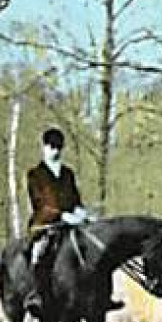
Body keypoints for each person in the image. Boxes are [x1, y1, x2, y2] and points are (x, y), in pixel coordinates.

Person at [27, 128, 122, 312]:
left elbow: (75, 199)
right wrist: (61, 215)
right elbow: (39, 202)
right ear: (44, 147)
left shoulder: (67, 173)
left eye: (58, 147)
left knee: (95, 249)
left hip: (71, 224)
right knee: (39, 253)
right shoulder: (35, 174)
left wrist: (82, 213)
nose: (54, 151)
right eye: (51, 147)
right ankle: (37, 295)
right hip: (46, 224)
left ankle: (100, 296)